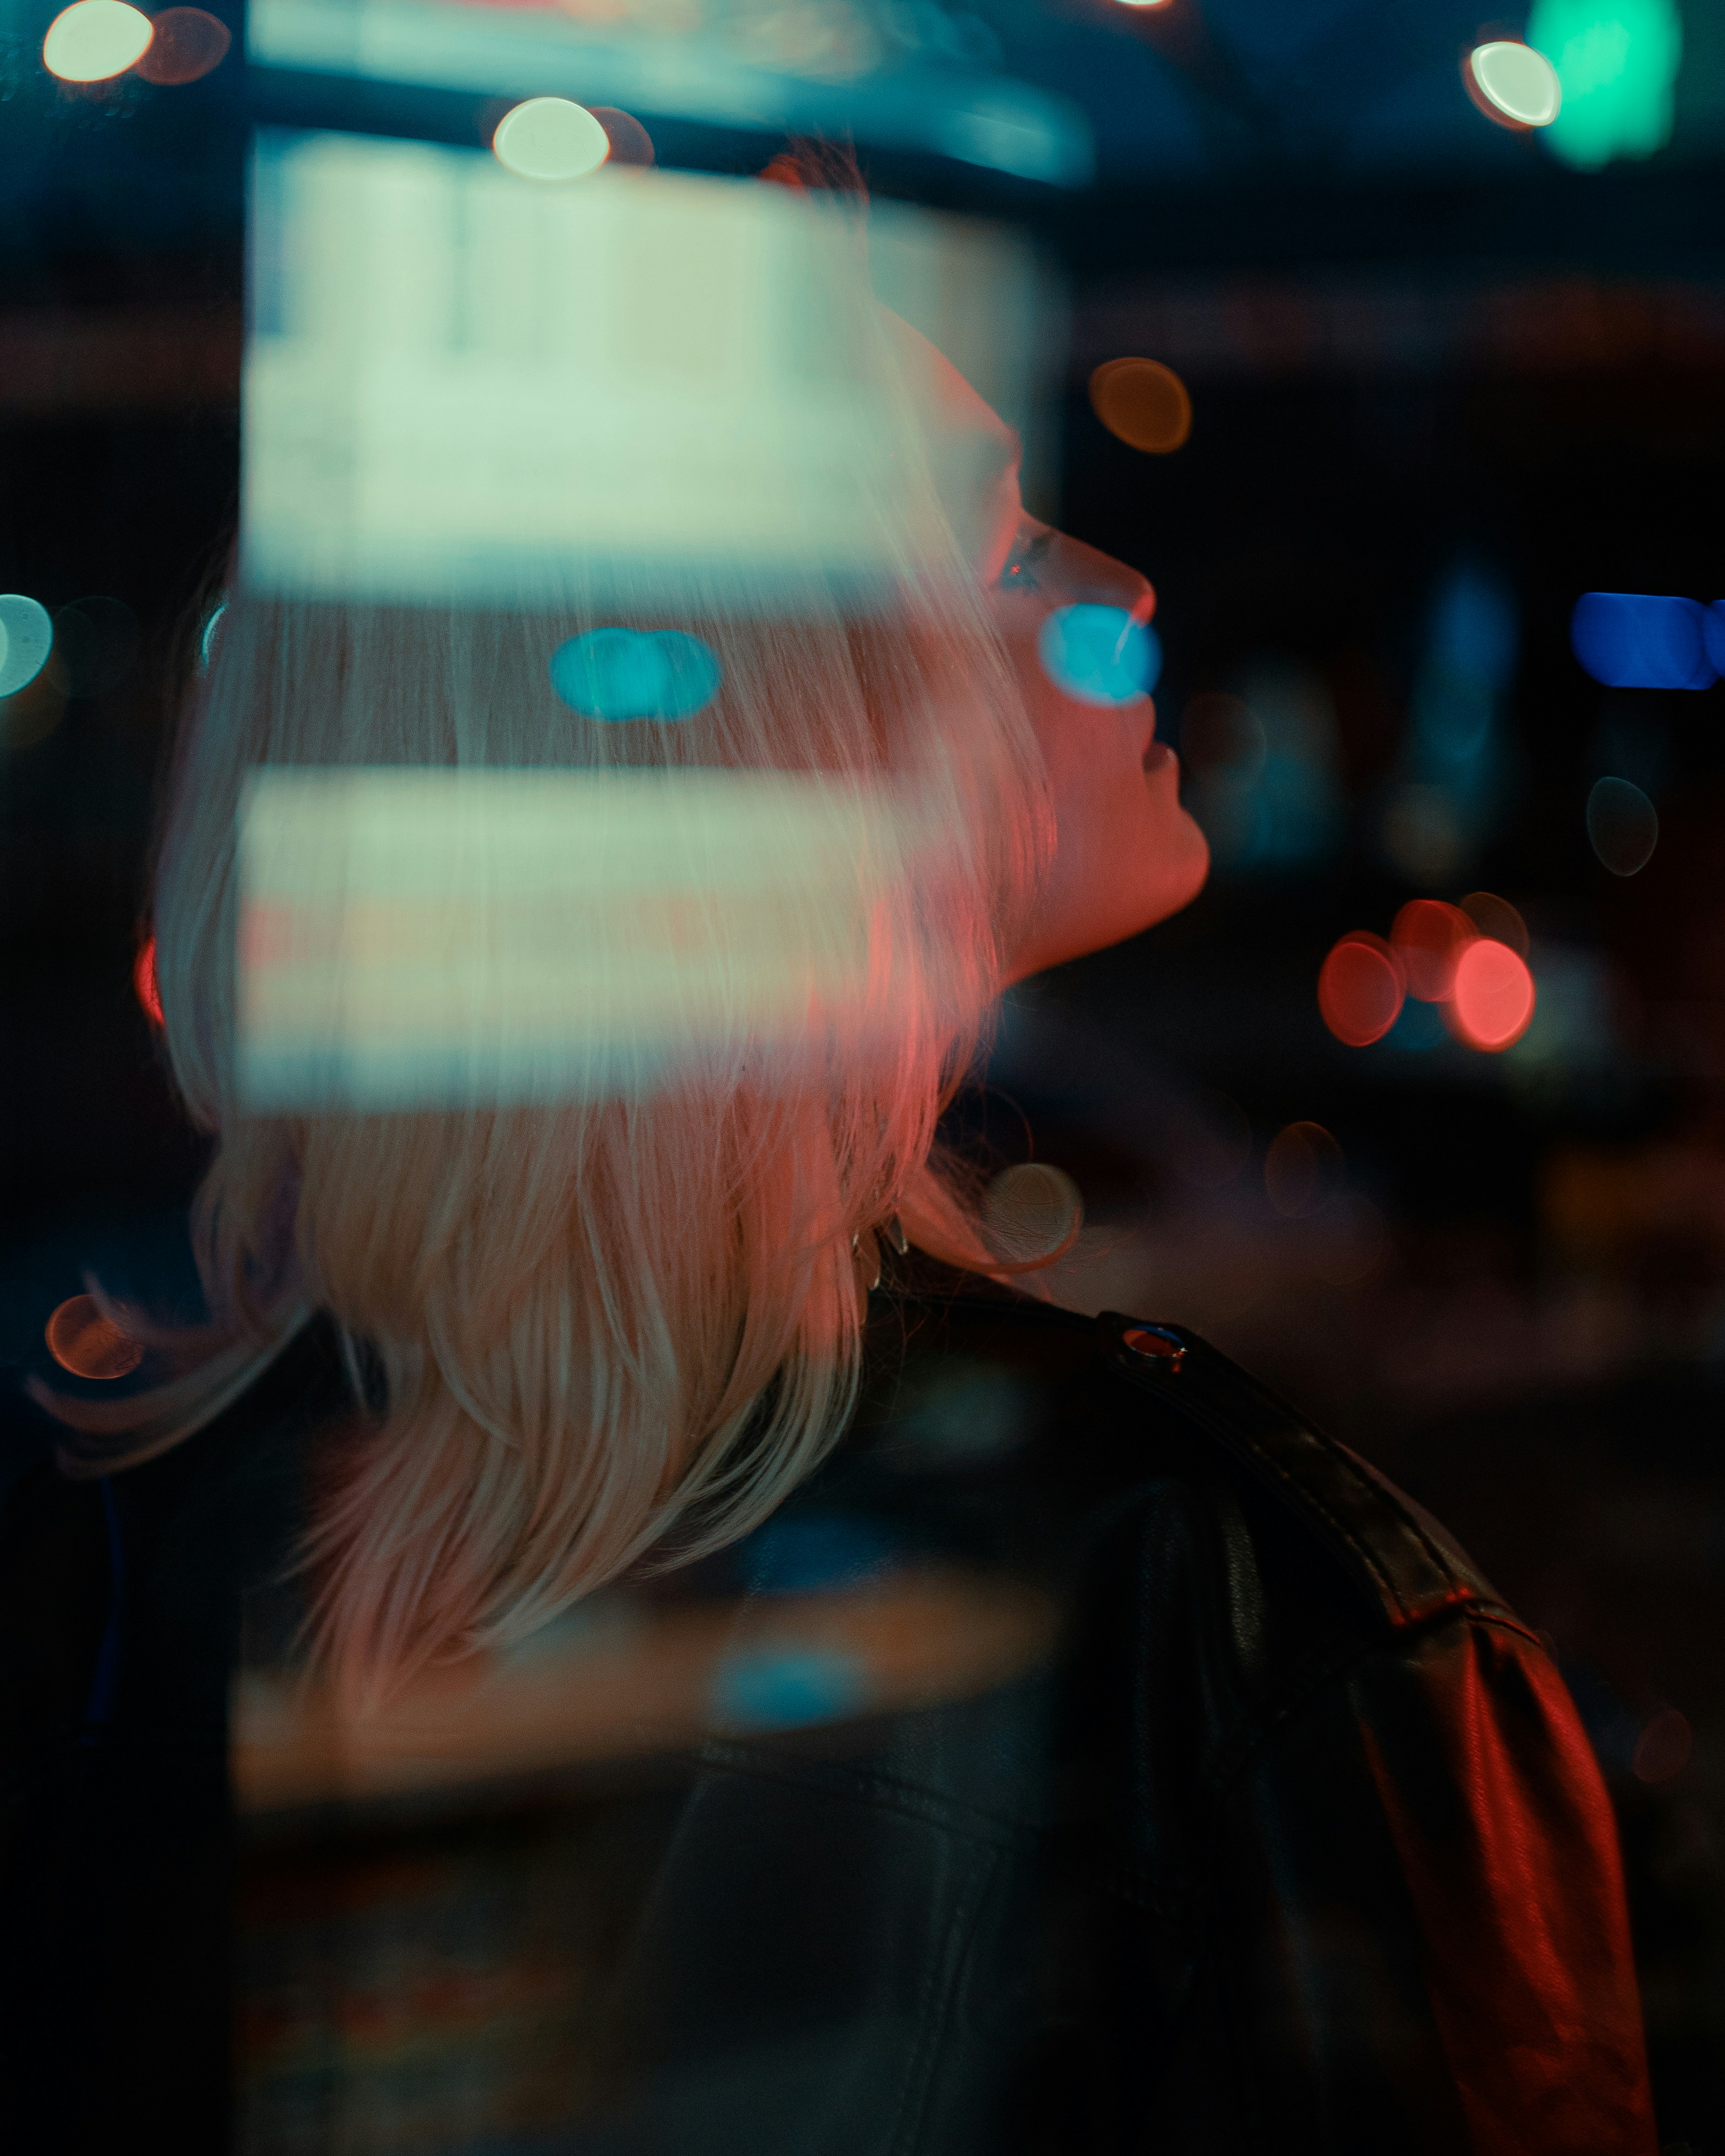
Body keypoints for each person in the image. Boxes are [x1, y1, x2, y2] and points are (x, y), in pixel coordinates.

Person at [0, 157, 1656, 2155]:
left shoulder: (134, 1555)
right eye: (996, 541)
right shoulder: (1235, 1627)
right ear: (780, 748)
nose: (1122, 589)